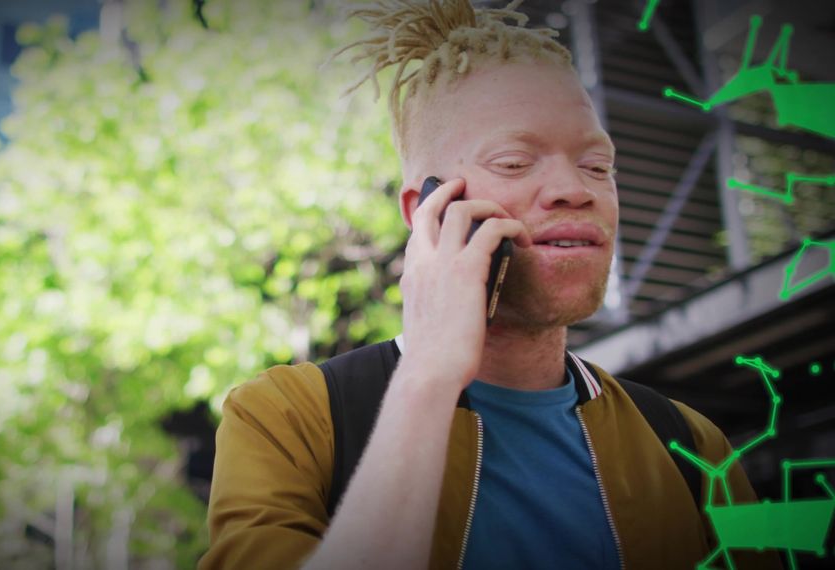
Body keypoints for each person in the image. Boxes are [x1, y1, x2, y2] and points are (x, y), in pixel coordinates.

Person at [198, 1, 782, 569]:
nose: (574, 189)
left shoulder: (692, 444)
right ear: (424, 209)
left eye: (597, 165)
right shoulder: (284, 417)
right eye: (513, 161)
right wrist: (428, 374)